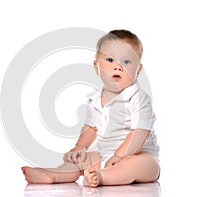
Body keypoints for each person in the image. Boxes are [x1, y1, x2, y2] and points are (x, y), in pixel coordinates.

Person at [21, 29, 160, 187]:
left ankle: (102, 177)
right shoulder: (94, 99)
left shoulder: (139, 99)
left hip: (141, 156)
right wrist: (80, 147)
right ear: (96, 66)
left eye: (126, 62)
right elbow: (91, 128)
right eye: (110, 60)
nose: (118, 67)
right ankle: (54, 174)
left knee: (135, 164)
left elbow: (139, 133)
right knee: (82, 160)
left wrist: (120, 156)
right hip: (106, 155)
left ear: (138, 70)